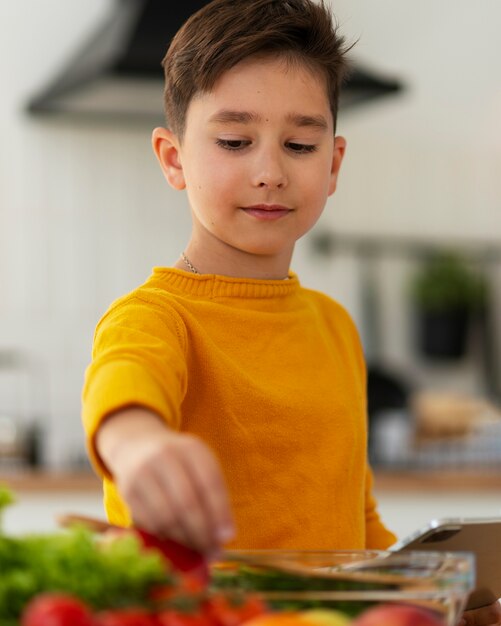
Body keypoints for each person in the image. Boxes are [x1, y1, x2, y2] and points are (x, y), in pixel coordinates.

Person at [82, 2, 500, 624]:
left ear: (332, 164)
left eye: (300, 144)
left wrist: (429, 601)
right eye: (233, 141)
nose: (270, 172)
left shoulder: (334, 326)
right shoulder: (154, 318)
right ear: (173, 158)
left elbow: (355, 523)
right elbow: (121, 401)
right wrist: (139, 447)